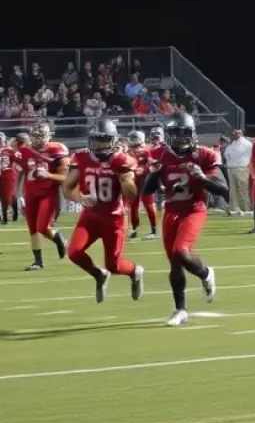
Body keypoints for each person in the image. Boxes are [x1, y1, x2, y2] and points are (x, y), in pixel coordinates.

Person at [143, 112, 226, 326]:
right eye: (174, 134)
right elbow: (147, 190)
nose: (179, 139)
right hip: (171, 210)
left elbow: (223, 190)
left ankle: (206, 273)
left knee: (181, 251)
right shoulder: (160, 154)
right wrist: (154, 173)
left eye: (183, 134)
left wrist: (202, 178)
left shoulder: (204, 155)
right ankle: (180, 309)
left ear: (192, 134)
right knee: (174, 263)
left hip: (194, 209)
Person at [63, 118, 145, 302]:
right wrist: (79, 198)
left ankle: (135, 271)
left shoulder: (123, 160)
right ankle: (99, 274)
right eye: (97, 139)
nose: (100, 144)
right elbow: (67, 188)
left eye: (105, 139)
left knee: (114, 265)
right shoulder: (82, 157)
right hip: (90, 217)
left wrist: (124, 178)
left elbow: (131, 194)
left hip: (113, 219)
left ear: (114, 140)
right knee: (74, 253)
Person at [12, 121, 69, 270]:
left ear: (49, 136)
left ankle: (59, 239)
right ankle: (38, 262)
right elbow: (21, 173)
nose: (37, 139)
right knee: (32, 228)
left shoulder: (57, 150)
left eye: (41, 136)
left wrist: (48, 174)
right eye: (35, 136)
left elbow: (65, 177)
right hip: (30, 193)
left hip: (48, 193)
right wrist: (18, 194)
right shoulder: (25, 151)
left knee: (43, 227)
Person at [125, 130, 158, 239]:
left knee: (148, 203)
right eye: (132, 138)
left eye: (134, 138)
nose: (132, 140)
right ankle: (134, 229)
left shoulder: (147, 150)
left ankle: (154, 230)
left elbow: (152, 162)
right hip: (134, 179)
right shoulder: (128, 151)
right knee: (133, 204)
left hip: (145, 179)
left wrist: (147, 166)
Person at [222, 128, 253, 216]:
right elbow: (226, 155)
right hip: (231, 168)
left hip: (242, 168)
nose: (234, 134)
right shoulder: (232, 144)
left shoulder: (247, 144)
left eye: (236, 133)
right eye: (234, 133)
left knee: (243, 190)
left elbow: (251, 157)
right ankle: (235, 209)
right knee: (233, 191)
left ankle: (246, 209)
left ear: (241, 133)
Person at [0, 131, 18, 224]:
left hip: (7, 173)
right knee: (4, 196)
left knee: (6, 196)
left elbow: (18, 159)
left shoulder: (9, 150)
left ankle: (6, 216)